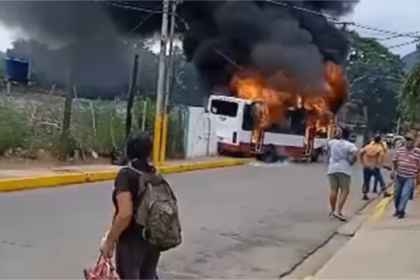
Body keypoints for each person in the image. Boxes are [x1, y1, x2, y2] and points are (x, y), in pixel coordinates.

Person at [101, 132, 160, 280]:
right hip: (152, 240)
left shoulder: (126, 175)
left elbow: (125, 214)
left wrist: (110, 241)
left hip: (131, 242)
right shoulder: (154, 175)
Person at [327, 127, 358, 222]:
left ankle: (332, 211)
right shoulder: (350, 145)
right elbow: (355, 155)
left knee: (333, 190)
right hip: (344, 168)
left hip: (332, 168)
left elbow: (329, 142)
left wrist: (335, 135)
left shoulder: (332, 142)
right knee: (345, 190)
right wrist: (352, 162)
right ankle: (338, 210)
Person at [391, 132, 420, 219]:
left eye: (410, 140)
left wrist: (417, 174)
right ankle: (397, 209)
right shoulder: (400, 150)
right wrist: (393, 171)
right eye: (407, 139)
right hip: (399, 176)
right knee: (396, 195)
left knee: (405, 195)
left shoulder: (417, 152)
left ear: (414, 141)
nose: (408, 142)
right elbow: (394, 161)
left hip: (410, 177)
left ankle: (401, 210)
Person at [360, 135, 391, 200]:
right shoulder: (379, 149)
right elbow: (380, 159)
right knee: (380, 179)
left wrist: (362, 162)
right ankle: (384, 192)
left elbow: (361, 153)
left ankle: (365, 194)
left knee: (366, 181)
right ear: (380, 141)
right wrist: (380, 166)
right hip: (374, 167)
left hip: (366, 166)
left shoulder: (368, 147)